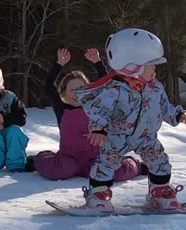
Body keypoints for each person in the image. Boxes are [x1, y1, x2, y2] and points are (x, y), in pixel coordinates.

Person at [75, 28, 186, 212]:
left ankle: (159, 192)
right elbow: (99, 109)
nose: (154, 69)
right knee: (106, 163)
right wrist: (99, 129)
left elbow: (164, 105)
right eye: (151, 65)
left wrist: (176, 115)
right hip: (118, 136)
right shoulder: (115, 89)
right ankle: (98, 196)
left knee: (160, 161)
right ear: (133, 66)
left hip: (146, 136)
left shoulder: (155, 87)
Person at [30, 48, 148, 181]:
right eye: (72, 90)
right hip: (68, 158)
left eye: (81, 89)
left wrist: (98, 62)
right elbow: (48, 86)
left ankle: (136, 165)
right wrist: (59, 64)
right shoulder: (61, 108)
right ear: (64, 92)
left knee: (113, 173)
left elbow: (109, 85)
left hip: (96, 158)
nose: (76, 93)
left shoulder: (97, 106)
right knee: (58, 171)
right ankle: (38, 159)